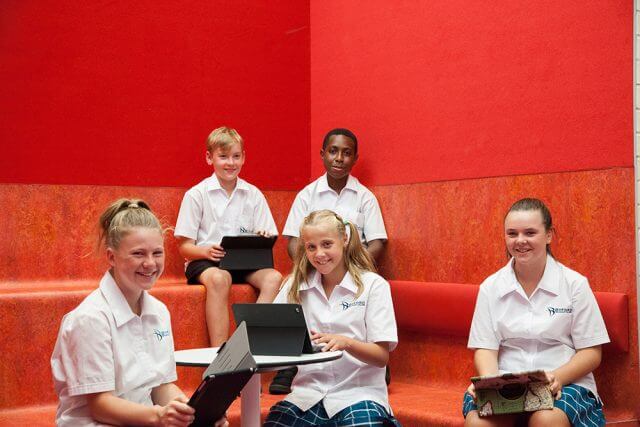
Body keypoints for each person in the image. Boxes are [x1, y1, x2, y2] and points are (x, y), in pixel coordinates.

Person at [51, 199, 227, 427]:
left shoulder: (159, 312)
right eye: (138, 254)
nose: (150, 263)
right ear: (111, 257)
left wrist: (190, 413)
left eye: (157, 253)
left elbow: (160, 386)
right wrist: (159, 417)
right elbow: (100, 405)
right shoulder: (90, 319)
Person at [463, 198, 609, 427]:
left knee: (546, 420)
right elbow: (485, 349)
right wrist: (490, 384)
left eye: (530, 232)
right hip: (507, 383)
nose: (520, 241)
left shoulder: (574, 284)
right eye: (512, 234)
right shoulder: (490, 287)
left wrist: (556, 378)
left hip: (565, 382)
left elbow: (591, 352)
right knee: (479, 423)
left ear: (549, 235)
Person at [272, 127, 389, 394]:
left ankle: (368, 351)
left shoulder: (365, 198)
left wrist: (349, 269)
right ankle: (293, 362)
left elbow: (378, 241)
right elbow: (292, 239)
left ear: (355, 159)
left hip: (355, 271)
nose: (339, 158)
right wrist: (314, 262)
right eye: (333, 151)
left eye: (346, 153)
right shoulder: (306, 195)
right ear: (322, 154)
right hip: (314, 271)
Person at [264, 210, 400, 426]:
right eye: (311, 247)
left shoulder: (373, 285)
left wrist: (346, 342)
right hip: (306, 396)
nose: (319, 254)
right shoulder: (293, 286)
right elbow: (269, 336)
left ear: (344, 239)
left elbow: (381, 356)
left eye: (327, 244)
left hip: (358, 395)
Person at [174, 126, 282, 346]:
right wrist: (205, 251)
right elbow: (184, 246)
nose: (230, 163)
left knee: (274, 278)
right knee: (221, 278)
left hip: (244, 262)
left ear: (244, 158)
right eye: (223, 157)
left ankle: (247, 343)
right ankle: (220, 351)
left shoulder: (253, 194)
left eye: (236, 156)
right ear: (209, 158)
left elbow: (269, 235)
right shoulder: (196, 195)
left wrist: (261, 235)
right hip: (206, 260)